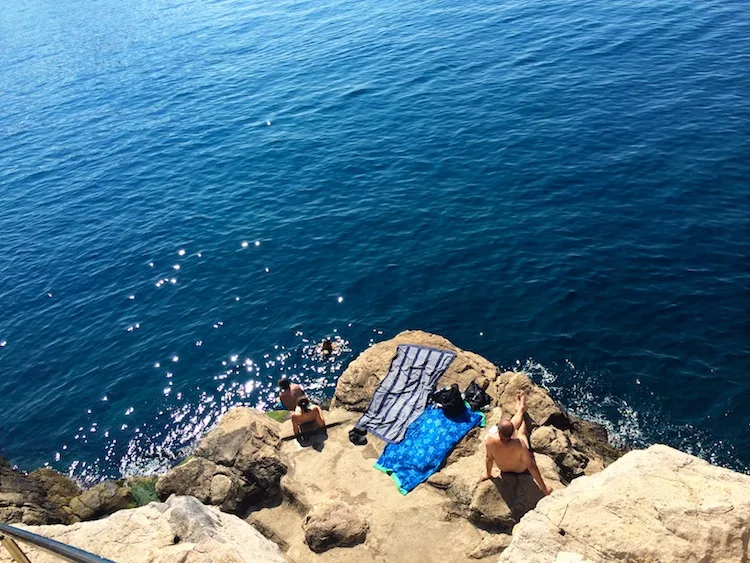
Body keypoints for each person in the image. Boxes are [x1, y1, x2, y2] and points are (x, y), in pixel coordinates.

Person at [480, 390, 551, 495]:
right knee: (521, 432)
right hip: (520, 470)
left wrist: (487, 474)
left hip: (503, 469)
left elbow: (489, 458)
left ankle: (520, 410)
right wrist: (544, 488)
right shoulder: (520, 444)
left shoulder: (490, 441)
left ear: (498, 432)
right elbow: (531, 466)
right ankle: (521, 409)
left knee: (515, 426)